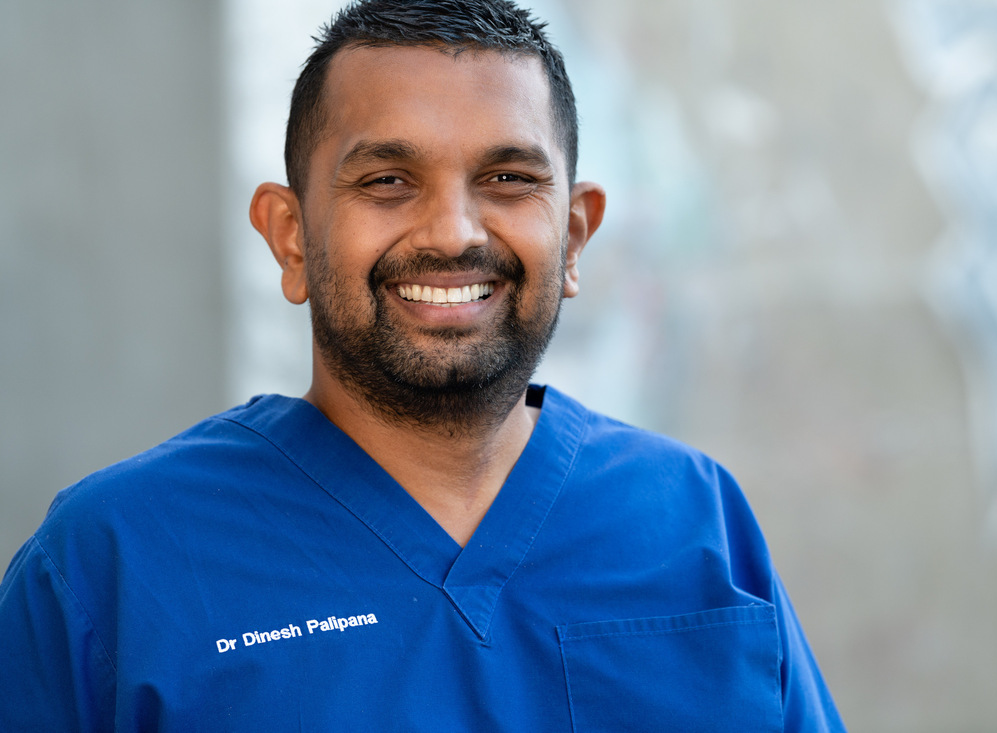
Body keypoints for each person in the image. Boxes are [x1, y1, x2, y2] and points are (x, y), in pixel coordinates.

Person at [0, 1, 845, 730]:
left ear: (576, 235)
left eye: (508, 178)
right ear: (291, 236)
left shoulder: (697, 522)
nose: (453, 233)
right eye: (389, 180)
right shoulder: (115, 562)